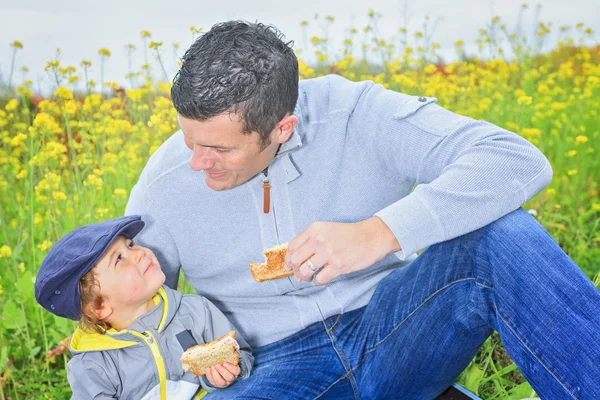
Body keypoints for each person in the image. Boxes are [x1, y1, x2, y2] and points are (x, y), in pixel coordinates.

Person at [125, 20, 600, 399]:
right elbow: (130, 302)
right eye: (189, 140)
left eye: (219, 150)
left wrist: (380, 232)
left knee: (503, 237)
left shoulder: (357, 114)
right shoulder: (167, 179)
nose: (196, 162)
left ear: (282, 128)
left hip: (393, 327)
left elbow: (515, 160)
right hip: (266, 367)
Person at [34, 215, 254, 400]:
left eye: (130, 245)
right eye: (119, 259)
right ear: (100, 306)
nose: (139, 252)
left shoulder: (195, 311)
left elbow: (239, 353)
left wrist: (224, 374)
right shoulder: (93, 365)